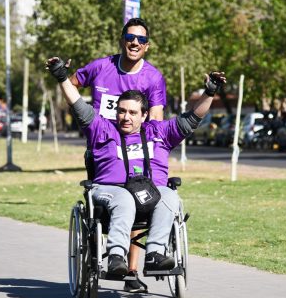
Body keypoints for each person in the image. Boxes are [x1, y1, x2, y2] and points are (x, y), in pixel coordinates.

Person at [47, 55, 225, 279]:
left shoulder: (159, 132)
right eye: (121, 111)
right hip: (109, 190)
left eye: (132, 113)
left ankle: (155, 255)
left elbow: (193, 118)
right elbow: (77, 103)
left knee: (171, 197)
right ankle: (116, 257)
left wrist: (209, 92)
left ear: (144, 115)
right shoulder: (102, 129)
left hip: (150, 191)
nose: (125, 117)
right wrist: (62, 76)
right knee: (124, 199)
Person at [65, 17, 167, 293]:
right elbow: (72, 84)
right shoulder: (101, 67)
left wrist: (150, 147)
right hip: (102, 147)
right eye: (131, 37)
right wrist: (83, 119)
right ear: (122, 39)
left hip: (136, 148)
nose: (135, 43)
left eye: (142, 39)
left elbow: (156, 119)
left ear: (147, 46)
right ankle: (104, 256)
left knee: (140, 195)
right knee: (110, 200)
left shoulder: (153, 77)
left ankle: (131, 271)